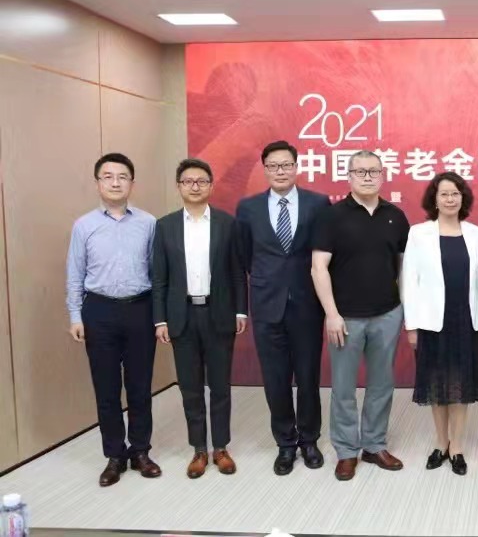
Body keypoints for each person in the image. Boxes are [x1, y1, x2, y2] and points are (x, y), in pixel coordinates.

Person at [311, 150, 410, 481]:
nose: (367, 177)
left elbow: (403, 267)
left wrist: (403, 310)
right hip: (345, 318)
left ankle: (374, 445)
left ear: (383, 175)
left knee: (382, 384)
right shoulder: (331, 216)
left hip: (387, 314)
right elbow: (318, 268)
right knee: (343, 388)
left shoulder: (396, 216)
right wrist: (331, 314)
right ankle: (346, 451)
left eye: (373, 171)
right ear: (349, 176)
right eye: (360, 171)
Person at [236, 140, 331, 476]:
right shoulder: (248, 208)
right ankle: (285, 444)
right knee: (275, 379)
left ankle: (309, 440)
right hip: (266, 305)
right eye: (273, 166)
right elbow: (244, 257)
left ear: (296, 167)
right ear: (265, 169)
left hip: (307, 304)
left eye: (286, 165)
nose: (280, 171)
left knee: (308, 376)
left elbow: (324, 254)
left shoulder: (318, 203)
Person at [66, 153, 161, 487]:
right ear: (98, 183)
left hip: (140, 309)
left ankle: (140, 451)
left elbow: (158, 273)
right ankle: (114, 456)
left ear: (132, 183)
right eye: (108, 176)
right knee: (106, 388)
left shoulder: (149, 223)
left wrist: (159, 317)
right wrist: (75, 315)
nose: (116, 182)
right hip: (99, 311)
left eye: (123, 176)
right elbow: (75, 274)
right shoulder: (84, 226)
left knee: (140, 386)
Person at [152, 158, 248, 479]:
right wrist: (160, 320)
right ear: (179, 186)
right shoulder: (164, 226)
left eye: (201, 181)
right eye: (188, 181)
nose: (195, 186)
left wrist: (240, 310)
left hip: (218, 313)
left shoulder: (227, 223)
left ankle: (220, 447)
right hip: (181, 317)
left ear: (210, 185)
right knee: (190, 388)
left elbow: (237, 272)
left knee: (220, 386)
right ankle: (198, 449)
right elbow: (159, 278)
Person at [401, 172, 478, 476]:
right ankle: (441, 443)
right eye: (444, 194)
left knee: (461, 385)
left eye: (455, 194)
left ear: (463, 199)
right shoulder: (419, 233)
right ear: (434, 200)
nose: (450, 199)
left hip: (466, 319)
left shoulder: (475, 234)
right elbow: (409, 281)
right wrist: (411, 325)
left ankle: (457, 446)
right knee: (437, 385)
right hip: (430, 321)